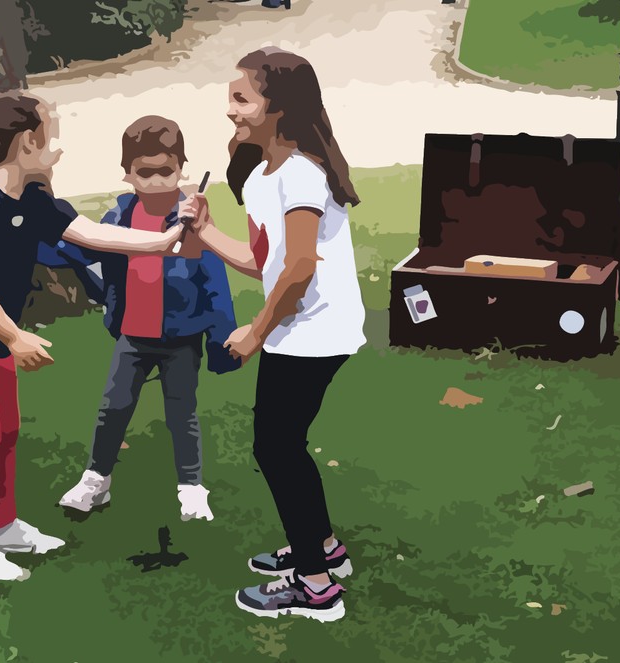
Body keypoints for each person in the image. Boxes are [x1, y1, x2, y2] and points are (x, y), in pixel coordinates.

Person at [0, 94, 182, 581]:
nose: (58, 149)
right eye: (52, 136)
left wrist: (162, 241)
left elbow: (89, 232)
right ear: (27, 142)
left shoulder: (31, 198)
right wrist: (14, 337)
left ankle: (1, 528)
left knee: (5, 434)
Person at [182, 47, 365, 622]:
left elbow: (300, 268)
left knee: (277, 447)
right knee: (284, 445)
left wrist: (256, 333)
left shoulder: (302, 174)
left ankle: (315, 587)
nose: (230, 110)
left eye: (242, 98)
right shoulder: (266, 175)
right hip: (299, 326)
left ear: (278, 106)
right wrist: (205, 229)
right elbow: (265, 263)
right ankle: (323, 549)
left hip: (315, 329)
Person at [58, 116, 241, 521]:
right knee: (113, 409)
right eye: (145, 172)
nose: (156, 181)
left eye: (166, 171)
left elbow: (214, 280)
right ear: (127, 173)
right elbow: (89, 251)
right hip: (132, 335)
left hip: (182, 337)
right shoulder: (119, 216)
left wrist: (221, 336)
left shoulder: (195, 220)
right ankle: (96, 479)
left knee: (182, 413)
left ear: (182, 169)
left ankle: (191, 486)